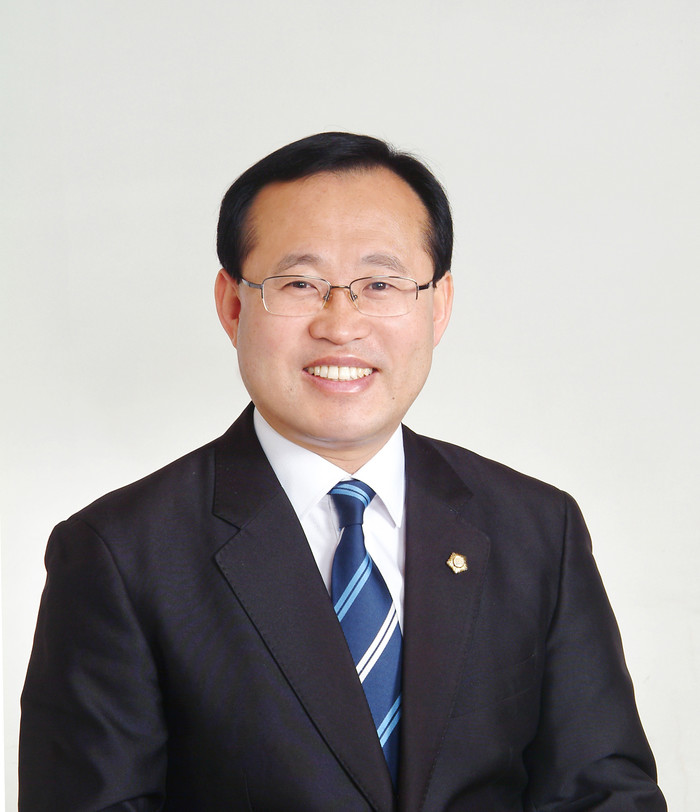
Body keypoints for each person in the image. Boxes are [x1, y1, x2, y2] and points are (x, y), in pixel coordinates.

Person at [19, 132, 666, 811]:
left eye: (380, 284)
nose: (341, 324)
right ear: (233, 304)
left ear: (439, 305)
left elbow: (602, 794)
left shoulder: (536, 528)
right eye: (300, 283)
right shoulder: (120, 553)